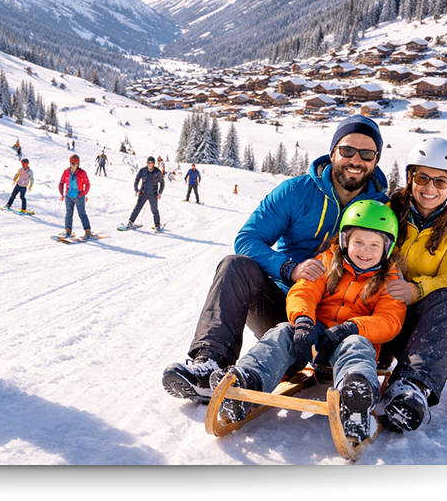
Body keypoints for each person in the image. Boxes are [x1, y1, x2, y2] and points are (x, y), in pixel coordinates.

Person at [161, 115, 389, 404]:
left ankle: (384, 384)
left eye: (366, 154)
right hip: (286, 309)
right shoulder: (296, 192)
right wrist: (289, 269)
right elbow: (248, 239)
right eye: (347, 150)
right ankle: (209, 366)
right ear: (333, 152)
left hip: (345, 322)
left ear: (376, 160)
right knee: (235, 265)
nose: (355, 160)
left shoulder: (383, 208)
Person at [209, 200, 406, 441]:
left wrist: (352, 327)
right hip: (316, 335)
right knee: (283, 332)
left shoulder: (390, 279)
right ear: (345, 241)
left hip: (352, 338)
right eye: (359, 242)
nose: (365, 251)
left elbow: (389, 320)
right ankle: (248, 380)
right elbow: (304, 291)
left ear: (387, 248)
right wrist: (303, 322)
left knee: (357, 346)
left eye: (375, 245)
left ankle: (355, 397)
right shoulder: (327, 261)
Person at [377, 137, 447, 433]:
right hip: (375, 311)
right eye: (422, 177)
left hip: (415, 325)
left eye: (440, 181)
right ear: (410, 177)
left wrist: (416, 290)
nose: (430, 188)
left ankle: (411, 387)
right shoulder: (387, 210)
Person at [126, 156, 165, 229]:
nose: (149, 164)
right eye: (148, 163)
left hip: (153, 194)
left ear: (153, 163)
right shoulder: (142, 170)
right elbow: (137, 179)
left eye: (150, 163)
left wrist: (160, 192)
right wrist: (136, 189)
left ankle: (157, 225)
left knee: (154, 210)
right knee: (137, 208)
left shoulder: (157, 172)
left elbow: (162, 183)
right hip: (143, 193)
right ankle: (130, 222)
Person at [58, 154, 92, 238]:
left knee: (82, 214)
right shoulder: (66, 172)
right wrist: (62, 194)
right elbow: (61, 183)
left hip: (79, 196)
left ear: (78, 164)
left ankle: (87, 231)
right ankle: (67, 230)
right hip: (68, 196)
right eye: (71, 163)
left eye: (75, 163)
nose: (73, 165)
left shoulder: (82, 173)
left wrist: (83, 193)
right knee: (68, 214)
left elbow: (87, 184)